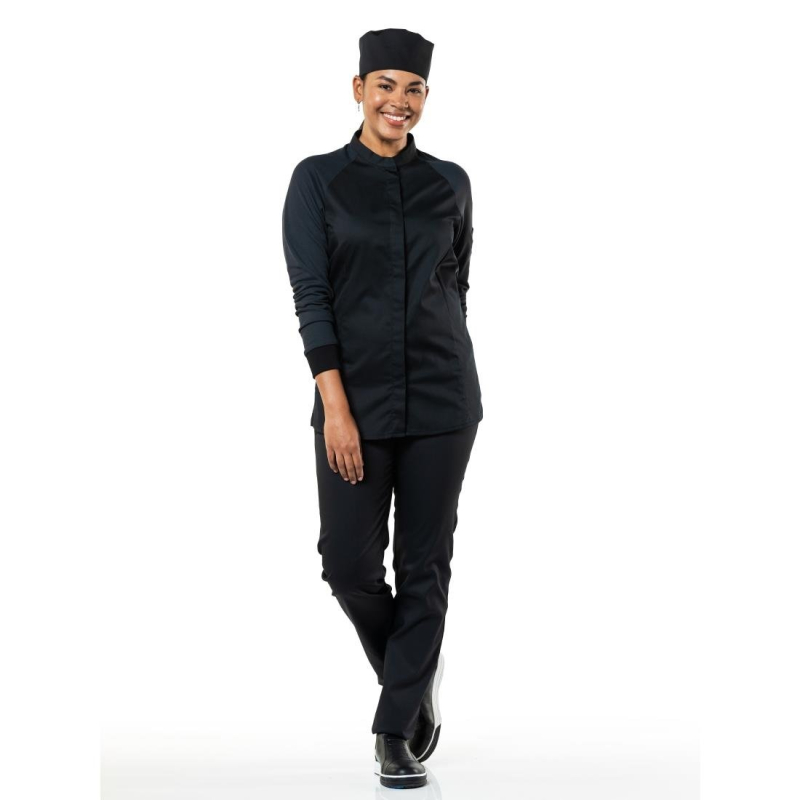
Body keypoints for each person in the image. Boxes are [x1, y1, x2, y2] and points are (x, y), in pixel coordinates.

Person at [282, 27, 484, 789]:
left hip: (443, 399)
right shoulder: (317, 180)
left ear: (426, 98)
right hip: (354, 403)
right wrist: (335, 409)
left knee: (425, 564)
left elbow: (457, 283)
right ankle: (412, 673)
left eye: (414, 88)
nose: (400, 101)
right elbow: (312, 298)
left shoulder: (450, 182)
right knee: (348, 565)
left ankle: (394, 730)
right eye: (386, 85)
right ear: (359, 90)